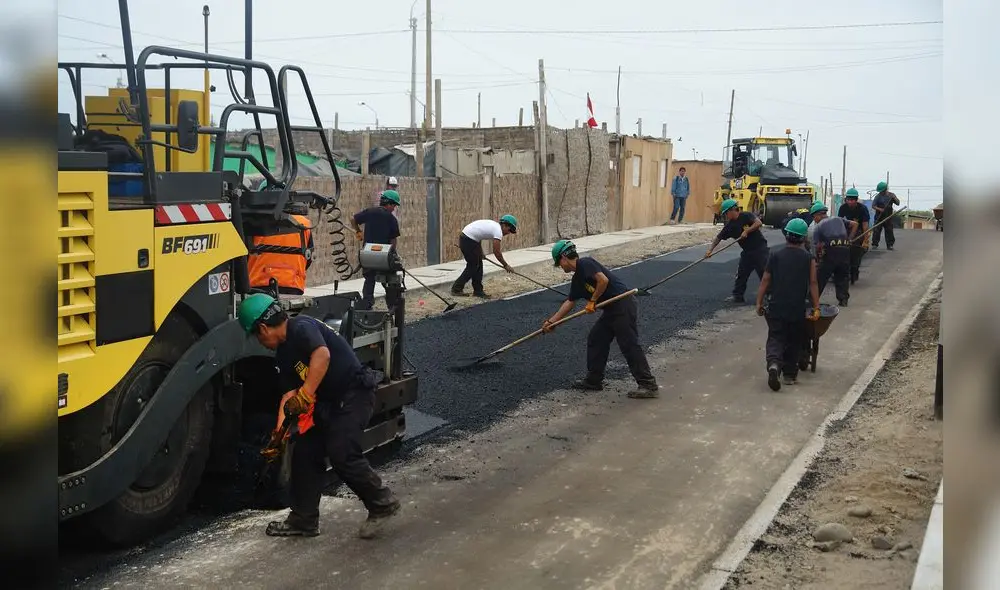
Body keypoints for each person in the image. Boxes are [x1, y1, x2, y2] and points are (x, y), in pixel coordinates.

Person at [237, 293, 400, 539]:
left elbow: (322, 356)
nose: (259, 342)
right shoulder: (282, 354)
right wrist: (278, 436)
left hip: (353, 393)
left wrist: (306, 394)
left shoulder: (301, 327)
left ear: (263, 328)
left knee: (342, 452)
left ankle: (382, 503)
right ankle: (304, 519)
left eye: (256, 336)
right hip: (328, 403)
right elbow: (288, 396)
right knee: (304, 451)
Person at [543, 240, 660, 399]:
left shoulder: (585, 263)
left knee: (628, 344)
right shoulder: (577, 279)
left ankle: (648, 384)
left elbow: (603, 280)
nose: (560, 267)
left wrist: (592, 301)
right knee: (596, 338)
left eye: (558, 263)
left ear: (563, 257)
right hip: (611, 309)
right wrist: (552, 322)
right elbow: (570, 302)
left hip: (622, 303)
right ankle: (594, 380)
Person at [755, 218, 820, 391]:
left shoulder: (775, 255)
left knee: (776, 337)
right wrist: (816, 307)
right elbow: (813, 283)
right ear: (804, 238)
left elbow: (765, 280)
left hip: (776, 306)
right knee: (793, 340)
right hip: (797, 308)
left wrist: (759, 302)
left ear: (786, 236)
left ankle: (774, 364)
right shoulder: (809, 258)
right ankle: (790, 375)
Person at [707, 198, 769, 304]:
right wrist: (710, 250)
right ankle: (738, 296)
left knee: (764, 273)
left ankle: (770, 296)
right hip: (747, 252)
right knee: (741, 274)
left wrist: (747, 231)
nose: (726, 216)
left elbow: (758, 223)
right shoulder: (730, 226)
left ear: (732, 210)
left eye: (726, 213)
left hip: (760, 249)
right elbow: (718, 238)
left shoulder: (746, 215)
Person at [351, 190, 401, 310]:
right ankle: (392, 306)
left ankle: (367, 307)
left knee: (369, 280)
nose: (394, 208)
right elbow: (393, 240)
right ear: (387, 203)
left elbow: (353, 220)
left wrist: (358, 231)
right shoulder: (391, 219)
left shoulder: (370, 212)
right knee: (390, 281)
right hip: (383, 256)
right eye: (393, 205)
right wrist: (392, 254)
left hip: (368, 254)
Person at [450, 215, 518, 298]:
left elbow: (477, 236)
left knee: (478, 265)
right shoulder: (498, 231)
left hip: (470, 239)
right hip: (468, 239)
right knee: (473, 265)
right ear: (504, 225)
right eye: (509, 230)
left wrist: (480, 252)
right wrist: (505, 265)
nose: (508, 233)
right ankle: (456, 289)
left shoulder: (494, 227)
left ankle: (478, 291)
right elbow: (496, 252)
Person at [248, 213, 314, 295]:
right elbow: (308, 259)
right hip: (293, 286)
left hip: (259, 284)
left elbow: (241, 257)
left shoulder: (253, 220)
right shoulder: (304, 224)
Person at [810, 202, 858, 307]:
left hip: (831, 252)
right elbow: (855, 224)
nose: (814, 220)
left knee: (820, 277)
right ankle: (843, 299)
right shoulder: (839, 219)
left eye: (814, 217)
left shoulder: (818, 227)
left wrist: (817, 259)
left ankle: (812, 300)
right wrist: (850, 239)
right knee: (842, 276)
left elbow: (817, 246)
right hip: (845, 250)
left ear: (817, 215)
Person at [837, 188, 871, 284]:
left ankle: (854, 271)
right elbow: (840, 222)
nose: (850, 202)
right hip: (847, 230)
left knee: (856, 254)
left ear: (856, 200)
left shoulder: (862, 209)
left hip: (859, 231)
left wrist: (866, 240)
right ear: (846, 200)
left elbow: (865, 225)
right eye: (849, 200)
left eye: (852, 200)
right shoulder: (843, 208)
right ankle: (844, 273)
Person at [871, 181, 900, 250]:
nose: (881, 192)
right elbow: (873, 206)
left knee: (889, 231)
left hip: (888, 216)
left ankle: (890, 245)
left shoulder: (891, 195)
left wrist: (894, 198)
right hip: (879, 216)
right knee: (876, 230)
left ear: (885, 189)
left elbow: (898, 203)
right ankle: (875, 244)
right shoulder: (878, 196)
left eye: (882, 191)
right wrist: (880, 209)